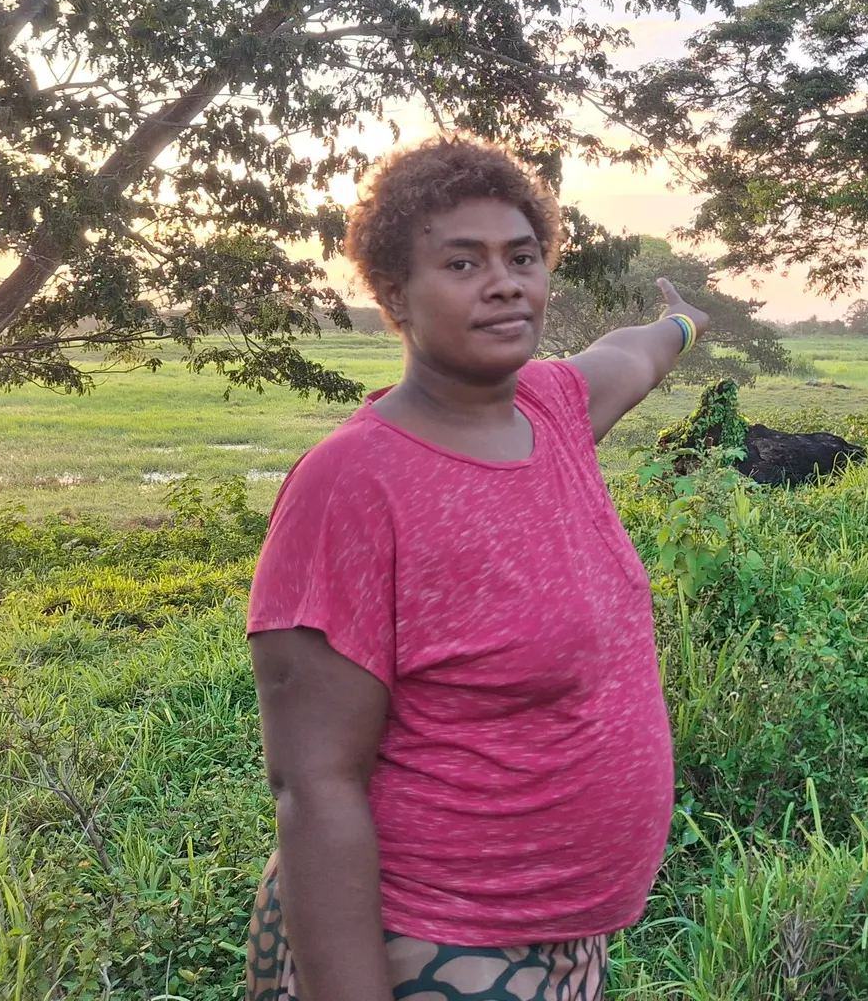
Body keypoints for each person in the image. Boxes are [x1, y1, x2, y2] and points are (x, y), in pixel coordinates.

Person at [243, 137, 707, 1001]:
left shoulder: (552, 406)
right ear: (393, 295)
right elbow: (314, 785)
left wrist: (680, 323)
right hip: (431, 944)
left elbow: (632, 354)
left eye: (522, 258)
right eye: (463, 262)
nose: (505, 283)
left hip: (557, 937)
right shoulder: (352, 485)